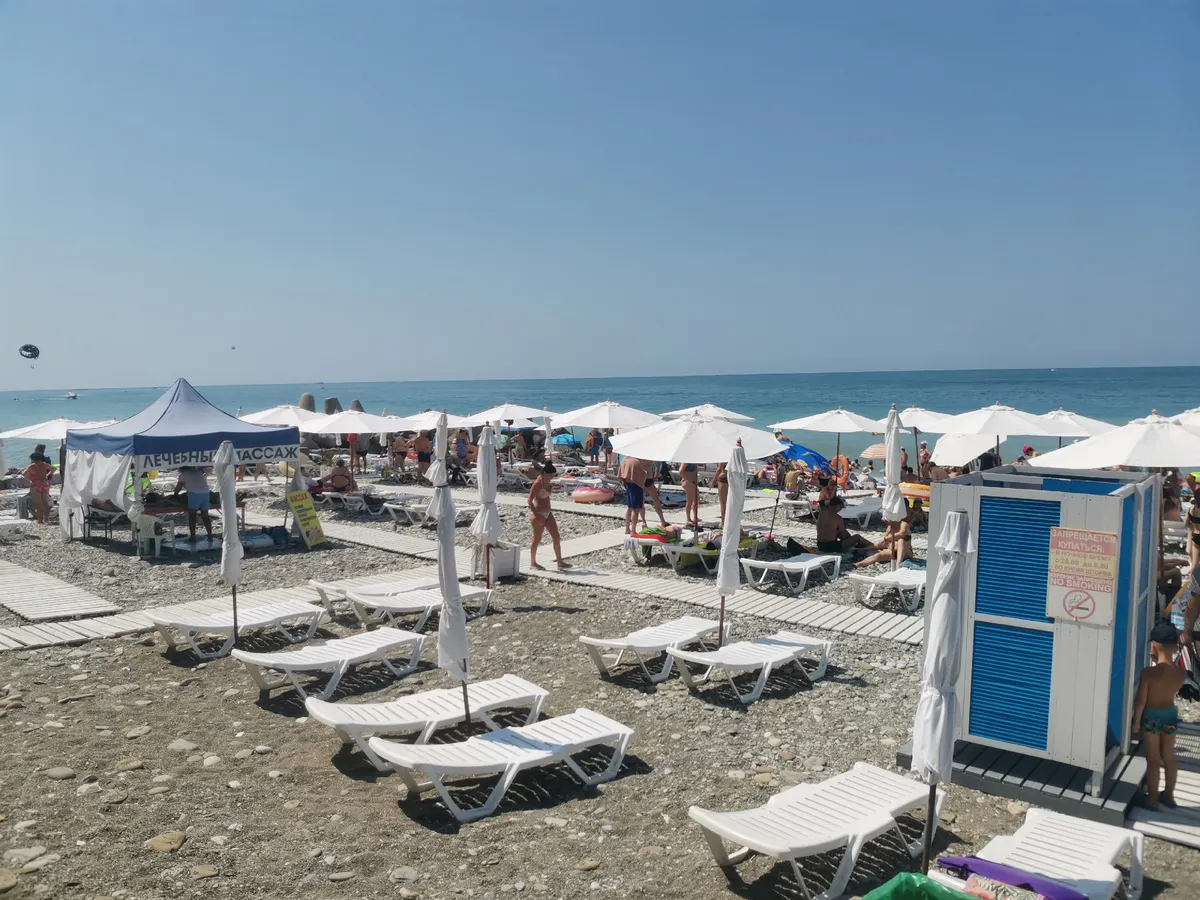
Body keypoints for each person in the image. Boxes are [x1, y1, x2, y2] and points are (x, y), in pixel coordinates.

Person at [1132, 622, 1186, 809]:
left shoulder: (1148, 673)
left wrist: (1136, 723)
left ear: (1154, 645)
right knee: (1169, 756)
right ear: (1175, 647)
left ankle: (1152, 799)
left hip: (1151, 716)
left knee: (1153, 758)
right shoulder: (1181, 673)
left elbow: (1141, 702)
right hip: (1170, 715)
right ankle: (1169, 796)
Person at [528, 462, 569, 570]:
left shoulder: (548, 482)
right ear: (545, 473)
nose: (552, 477)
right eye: (551, 475)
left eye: (553, 475)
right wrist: (537, 515)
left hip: (548, 513)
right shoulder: (538, 483)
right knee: (537, 539)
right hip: (539, 514)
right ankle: (532, 562)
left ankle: (559, 562)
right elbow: (530, 501)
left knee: (556, 536)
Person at [172, 466, 214, 542]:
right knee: (205, 516)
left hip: (194, 494)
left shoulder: (183, 474)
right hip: (205, 493)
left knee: (192, 516)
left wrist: (175, 494)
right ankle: (210, 536)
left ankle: (193, 537)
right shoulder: (198, 472)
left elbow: (179, 487)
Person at [22, 452, 54, 524]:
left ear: (33, 459)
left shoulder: (31, 466)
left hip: (36, 485)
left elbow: (24, 474)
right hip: (45, 484)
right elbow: (53, 468)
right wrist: (48, 475)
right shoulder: (45, 464)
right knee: (45, 503)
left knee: (39, 504)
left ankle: (40, 520)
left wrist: (30, 479)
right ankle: (46, 519)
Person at [618, 455, 646, 535]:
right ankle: (633, 530)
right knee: (635, 509)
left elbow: (621, 474)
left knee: (629, 508)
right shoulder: (635, 461)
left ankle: (627, 528)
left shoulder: (625, 459)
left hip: (628, 484)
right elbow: (642, 474)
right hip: (636, 485)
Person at [641, 463, 669, 530]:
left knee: (656, 500)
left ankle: (662, 520)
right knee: (642, 501)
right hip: (641, 479)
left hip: (649, 479)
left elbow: (657, 464)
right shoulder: (639, 457)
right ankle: (643, 521)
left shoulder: (651, 457)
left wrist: (656, 473)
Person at [679, 462, 701, 529]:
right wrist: (689, 481)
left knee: (696, 499)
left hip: (692, 482)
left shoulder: (693, 461)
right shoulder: (686, 461)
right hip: (688, 482)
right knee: (690, 501)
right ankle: (688, 519)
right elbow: (680, 471)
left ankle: (695, 517)